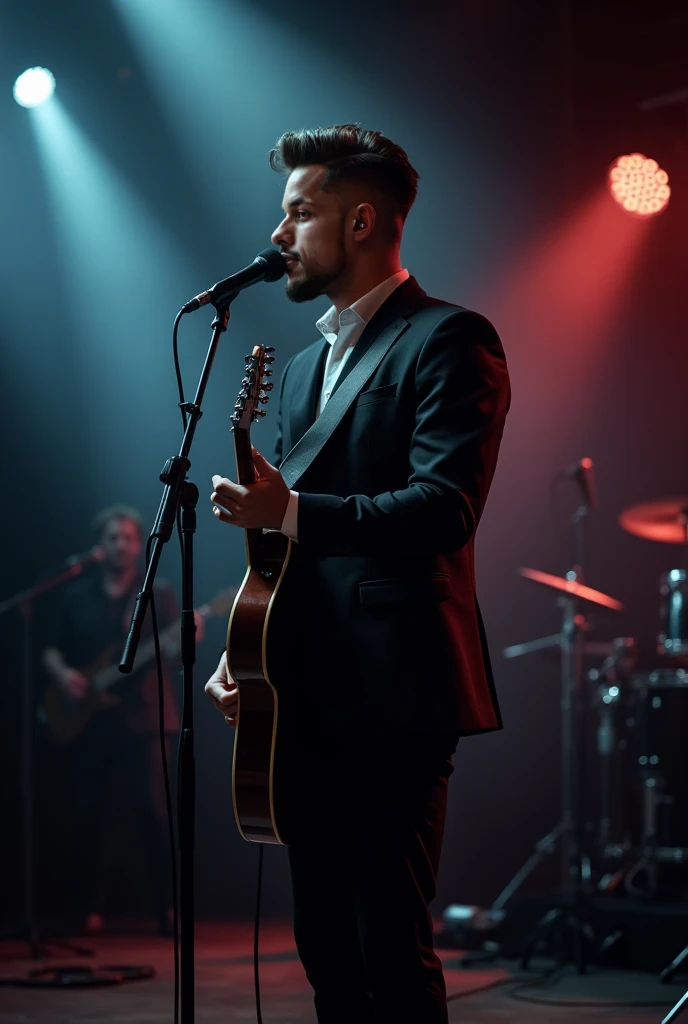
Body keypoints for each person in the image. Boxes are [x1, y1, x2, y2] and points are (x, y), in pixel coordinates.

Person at [205, 124, 510, 1023]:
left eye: (300, 212)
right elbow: (292, 552)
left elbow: (443, 510)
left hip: (397, 697)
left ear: (364, 219)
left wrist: (290, 512)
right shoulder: (302, 368)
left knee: (390, 947)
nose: (278, 234)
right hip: (307, 699)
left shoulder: (450, 339)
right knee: (327, 955)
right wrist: (247, 654)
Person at [43, 505, 203, 934]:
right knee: (87, 815)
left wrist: (188, 638)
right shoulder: (78, 595)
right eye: (113, 537)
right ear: (101, 544)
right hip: (91, 722)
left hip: (146, 721)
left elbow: (172, 652)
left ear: (140, 544)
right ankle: (85, 908)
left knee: (155, 815)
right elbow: (52, 648)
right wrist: (65, 677)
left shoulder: (159, 593)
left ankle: (166, 911)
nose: (121, 544)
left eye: (129, 537)